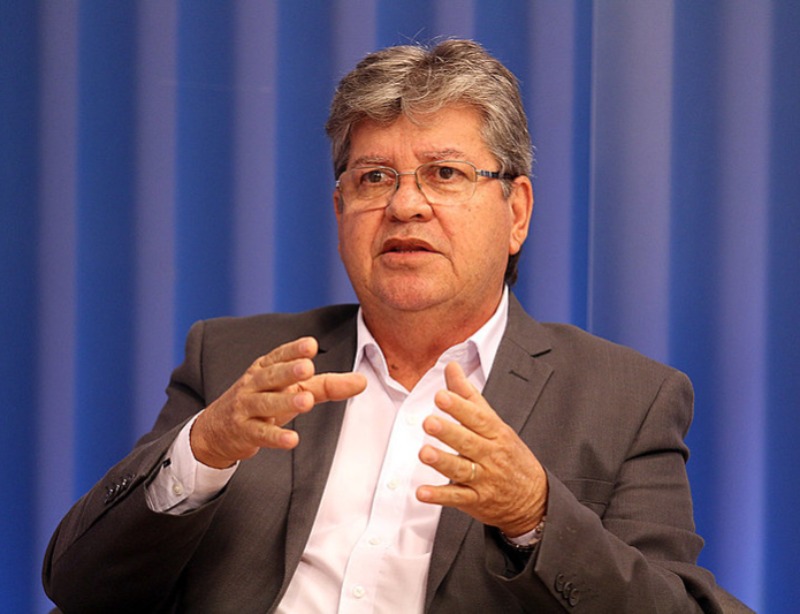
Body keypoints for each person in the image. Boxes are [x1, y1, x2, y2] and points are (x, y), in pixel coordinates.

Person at [43, 39, 722, 613]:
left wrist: (536, 514)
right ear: (340, 208)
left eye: (444, 173)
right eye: (373, 178)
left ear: (516, 212)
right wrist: (202, 451)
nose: (404, 205)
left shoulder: (626, 400)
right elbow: (78, 585)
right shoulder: (234, 362)